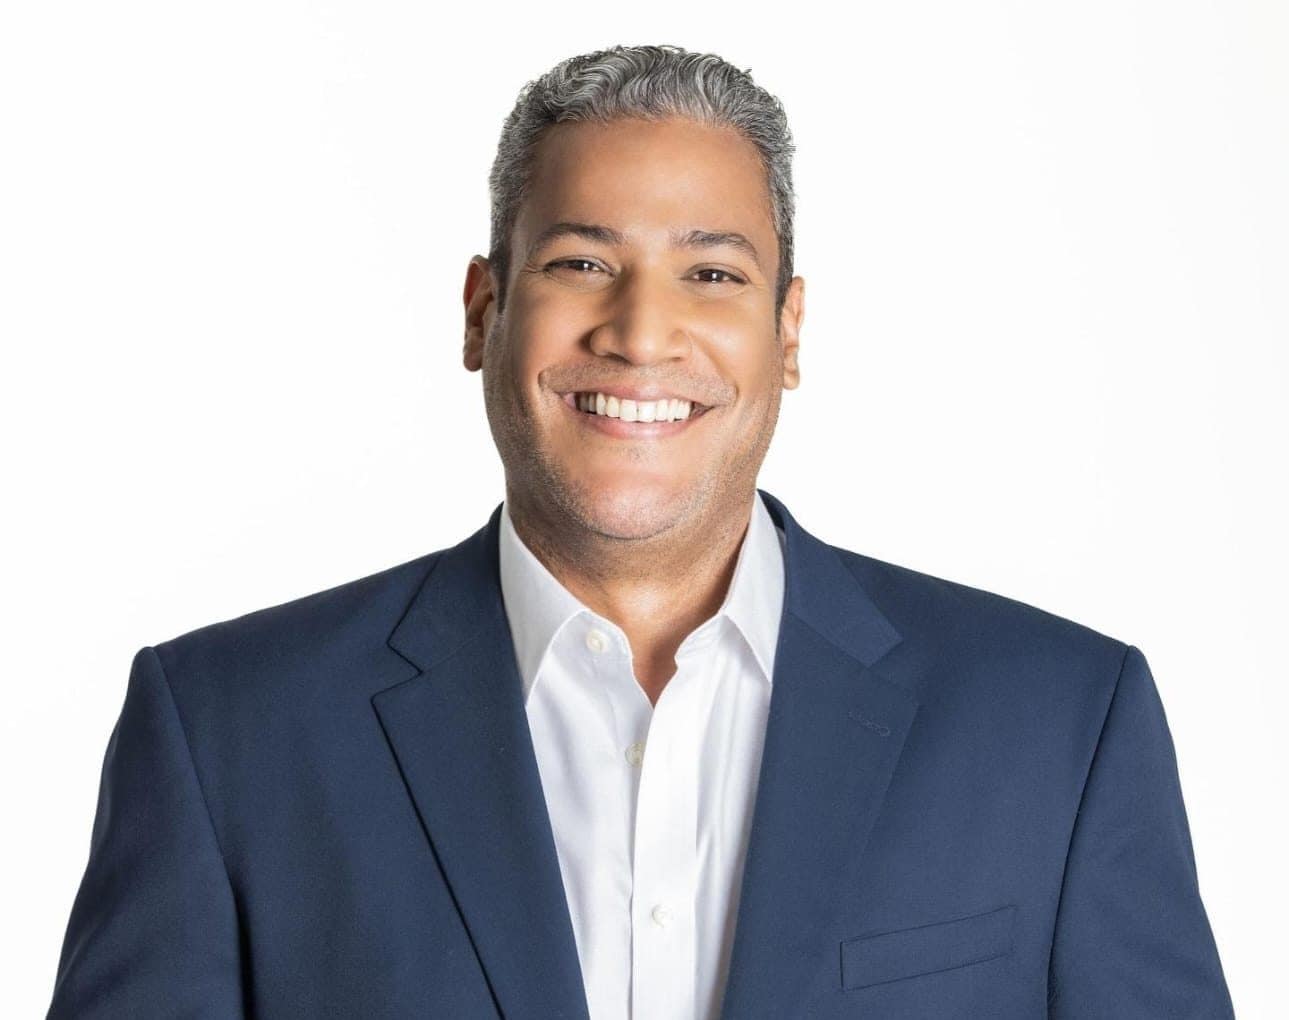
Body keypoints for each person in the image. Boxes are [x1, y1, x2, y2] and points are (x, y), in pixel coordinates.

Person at [47, 43, 1234, 1019]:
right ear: (482, 312)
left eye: (711, 275)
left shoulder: (1057, 725)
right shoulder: (225, 734)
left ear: (788, 333)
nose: (639, 333)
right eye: (580, 261)